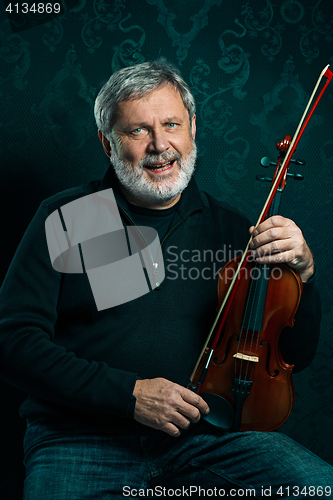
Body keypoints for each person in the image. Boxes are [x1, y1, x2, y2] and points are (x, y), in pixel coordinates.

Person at [0, 60, 332, 499]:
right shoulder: (71, 216)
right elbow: (14, 343)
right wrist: (129, 394)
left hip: (204, 441)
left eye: (171, 124)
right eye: (137, 130)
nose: (160, 145)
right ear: (107, 142)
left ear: (192, 127)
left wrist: (304, 276)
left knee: (318, 487)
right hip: (79, 440)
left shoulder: (233, 230)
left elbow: (294, 353)